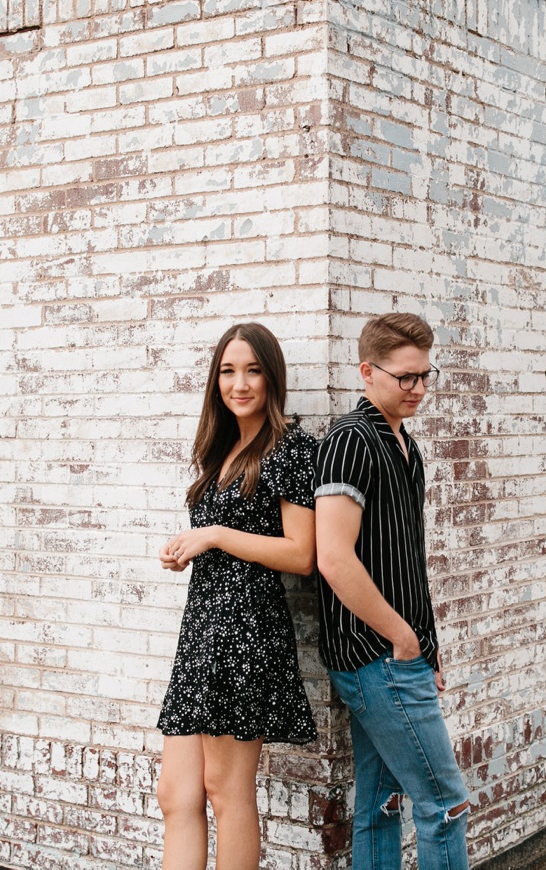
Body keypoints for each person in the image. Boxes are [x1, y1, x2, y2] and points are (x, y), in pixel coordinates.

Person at [155, 323, 319, 870]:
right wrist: (189, 548)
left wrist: (216, 535)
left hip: (245, 634)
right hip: (203, 630)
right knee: (175, 794)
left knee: (228, 793)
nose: (239, 383)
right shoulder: (222, 448)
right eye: (228, 371)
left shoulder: (292, 447)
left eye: (252, 370)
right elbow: (218, 541)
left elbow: (302, 554)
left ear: (272, 378)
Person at [314, 313, 471, 870]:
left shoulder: (406, 447)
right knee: (446, 805)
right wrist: (403, 639)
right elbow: (332, 557)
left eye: (426, 376)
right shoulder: (350, 441)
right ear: (367, 372)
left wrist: (425, 649)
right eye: (406, 377)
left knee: (381, 804)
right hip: (374, 655)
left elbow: (406, 564)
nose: (419, 389)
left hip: (398, 655)